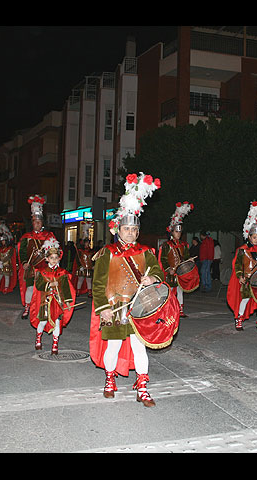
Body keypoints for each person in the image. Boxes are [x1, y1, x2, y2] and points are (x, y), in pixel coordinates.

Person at [89, 172, 179, 407]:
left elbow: (158, 273)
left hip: (139, 308)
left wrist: (152, 280)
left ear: (137, 231)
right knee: (115, 345)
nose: (130, 232)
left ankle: (142, 386)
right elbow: (98, 284)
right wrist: (103, 309)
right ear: (118, 229)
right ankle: (110, 379)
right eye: (126, 229)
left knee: (141, 348)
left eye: (133, 229)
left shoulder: (145, 252)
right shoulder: (106, 254)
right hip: (115, 308)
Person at [227, 201, 257, 333]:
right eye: (254, 237)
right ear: (249, 237)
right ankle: (239, 319)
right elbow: (237, 264)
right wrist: (240, 276)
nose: (256, 239)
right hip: (247, 279)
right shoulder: (242, 250)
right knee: (245, 299)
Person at [29, 238, 76, 353]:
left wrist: (68, 302)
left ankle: (55, 344)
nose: (54, 260)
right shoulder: (41, 272)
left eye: (56, 258)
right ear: (46, 259)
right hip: (45, 302)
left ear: (59, 258)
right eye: (51, 258)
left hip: (58, 303)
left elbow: (66, 288)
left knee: (57, 323)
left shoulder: (62, 273)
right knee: (43, 322)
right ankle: (38, 338)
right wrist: (50, 284)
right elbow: (39, 285)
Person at [18, 195, 58, 319]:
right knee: (30, 288)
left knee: (44, 290)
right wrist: (24, 262)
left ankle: (45, 309)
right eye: (35, 221)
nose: (37, 224)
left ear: (42, 223)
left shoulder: (49, 236)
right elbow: (22, 250)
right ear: (32, 223)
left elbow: (56, 250)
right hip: (31, 267)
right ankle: (27, 308)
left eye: (39, 221)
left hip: (45, 268)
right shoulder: (27, 236)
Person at [158, 201, 199, 317]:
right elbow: (163, 258)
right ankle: (169, 310)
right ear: (172, 232)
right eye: (176, 231)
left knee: (180, 290)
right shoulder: (166, 245)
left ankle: (180, 310)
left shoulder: (184, 244)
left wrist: (189, 259)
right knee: (170, 291)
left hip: (180, 271)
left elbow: (185, 257)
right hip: (171, 272)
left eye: (180, 232)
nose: (179, 234)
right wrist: (168, 269)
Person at [0, 222, 18, 294]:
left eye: (4, 241)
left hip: (7, 265)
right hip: (0, 265)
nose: (3, 242)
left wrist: (3, 261)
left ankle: (6, 289)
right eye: (2, 241)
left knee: (7, 278)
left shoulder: (10, 249)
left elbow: (9, 256)